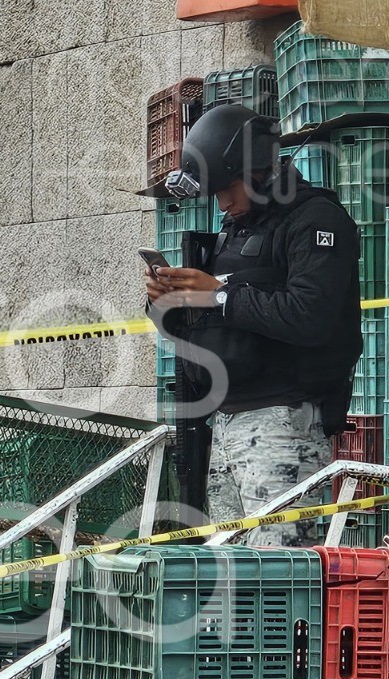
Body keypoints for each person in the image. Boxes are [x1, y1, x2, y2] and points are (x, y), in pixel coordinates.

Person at [146, 103, 362, 546]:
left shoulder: (315, 218)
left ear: (259, 172)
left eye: (228, 187)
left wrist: (219, 295)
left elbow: (311, 315)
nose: (223, 201)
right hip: (227, 420)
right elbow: (206, 322)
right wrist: (167, 301)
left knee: (278, 567)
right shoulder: (237, 228)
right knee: (234, 570)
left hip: (283, 419)